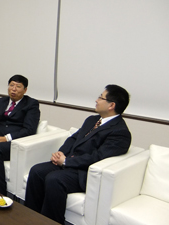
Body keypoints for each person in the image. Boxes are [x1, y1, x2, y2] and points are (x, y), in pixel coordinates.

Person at [24, 84, 131, 224]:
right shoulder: (92, 120)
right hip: (69, 163)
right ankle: (30, 217)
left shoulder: (120, 132)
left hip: (85, 172)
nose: (96, 100)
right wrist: (61, 153)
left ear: (111, 105)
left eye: (100, 97)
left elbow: (98, 157)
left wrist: (67, 162)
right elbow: (73, 138)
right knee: (37, 170)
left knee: (54, 179)